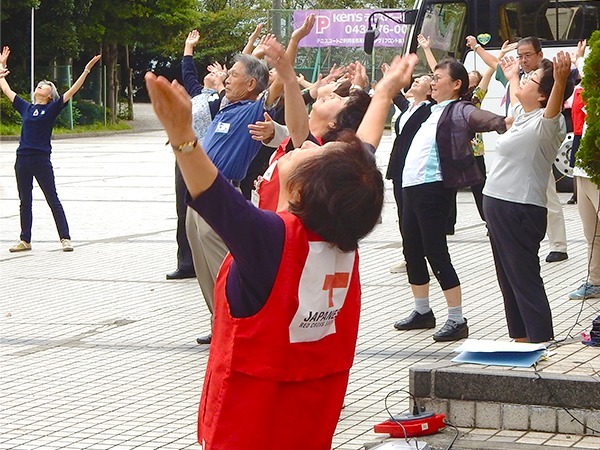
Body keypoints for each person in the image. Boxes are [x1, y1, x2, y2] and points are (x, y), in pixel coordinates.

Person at [143, 53, 417, 450]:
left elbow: (215, 196)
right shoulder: (343, 229)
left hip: (248, 421)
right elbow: (366, 153)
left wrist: (181, 133)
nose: (306, 146)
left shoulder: (272, 239)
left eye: (312, 154)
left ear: (302, 191)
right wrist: (385, 93)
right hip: (309, 417)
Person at [392, 58, 509, 342]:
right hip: (411, 186)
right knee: (412, 248)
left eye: (438, 77)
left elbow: (477, 117)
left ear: (456, 84)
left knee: (435, 250)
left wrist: (501, 122)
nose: (432, 81)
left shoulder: (459, 108)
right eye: (431, 77)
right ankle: (422, 312)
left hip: (433, 188)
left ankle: (457, 318)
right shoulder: (429, 110)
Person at [483, 52, 573, 343]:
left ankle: (541, 341)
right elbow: (518, 96)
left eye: (531, 79)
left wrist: (559, 81)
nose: (524, 78)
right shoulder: (525, 114)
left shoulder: (547, 125)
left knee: (524, 280)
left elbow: (554, 109)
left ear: (544, 95)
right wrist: (511, 78)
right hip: (498, 204)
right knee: (508, 281)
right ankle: (521, 340)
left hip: (519, 209)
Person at [0, 46, 101, 253]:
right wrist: (2, 66)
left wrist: (86, 70)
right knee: (24, 201)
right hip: (22, 159)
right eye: (39, 84)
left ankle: (65, 238)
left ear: (49, 95)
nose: (41, 85)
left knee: (52, 199)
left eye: (46, 85)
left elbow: (72, 91)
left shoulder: (52, 108)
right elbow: (6, 89)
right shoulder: (26, 107)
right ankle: (25, 240)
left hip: (41, 159)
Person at [496, 36, 569, 263]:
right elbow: (518, 105)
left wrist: (559, 82)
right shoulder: (521, 81)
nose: (523, 60)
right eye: (520, 55)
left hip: (536, 152)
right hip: (513, 179)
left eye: (528, 55)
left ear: (540, 55)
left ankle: (559, 244)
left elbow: (551, 113)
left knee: (548, 195)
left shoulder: (546, 81)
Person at [167, 32, 225, 280]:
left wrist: (224, 81)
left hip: (208, 157)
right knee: (183, 209)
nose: (210, 74)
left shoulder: (224, 98)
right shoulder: (198, 93)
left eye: (215, 73)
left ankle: (219, 259)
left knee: (210, 209)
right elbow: (188, 72)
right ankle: (186, 262)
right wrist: (188, 48)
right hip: (186, 153)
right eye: (209, 73)